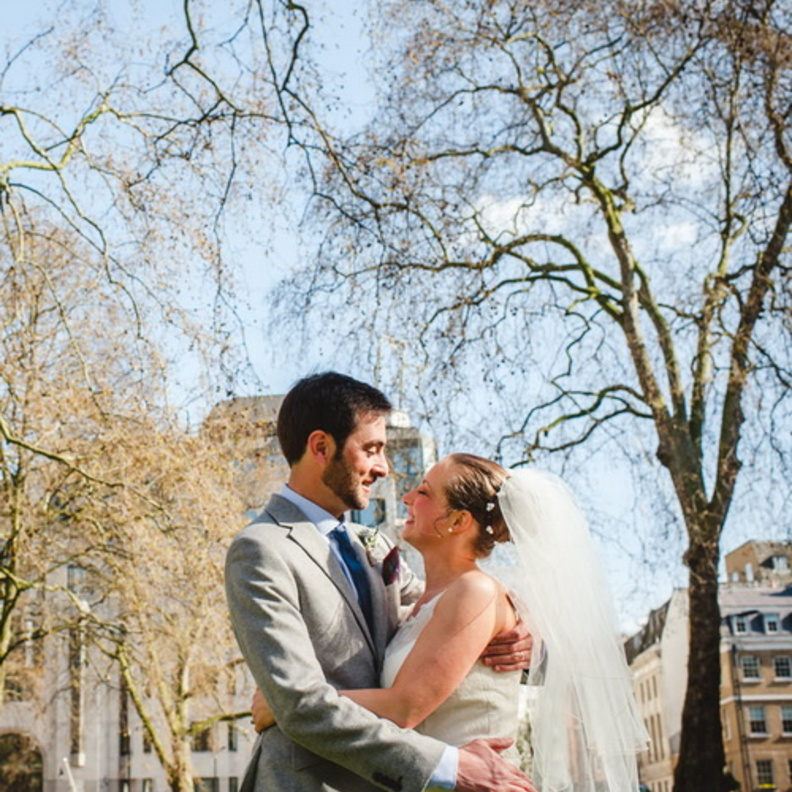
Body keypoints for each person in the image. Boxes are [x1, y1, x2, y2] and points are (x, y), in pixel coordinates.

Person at [253, 452, 648, 792]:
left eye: (423, 493)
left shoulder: (475, 592)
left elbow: (405, 706)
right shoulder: (425, 602)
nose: (407, 497)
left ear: (457, 522)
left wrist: (288, 704)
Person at [224, 372, 536, 792]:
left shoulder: (374, 545)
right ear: (321, 447)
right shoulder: (261, 549)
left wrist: (520, 635)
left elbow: (439, 617)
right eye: (371, 450)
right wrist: (448, 766)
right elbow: (300, 706)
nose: (383, 468)